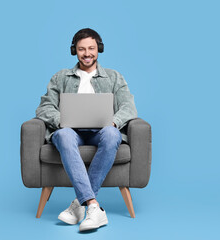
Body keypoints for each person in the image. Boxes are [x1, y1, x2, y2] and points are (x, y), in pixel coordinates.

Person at [35, 28, 137, 231]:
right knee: (62, 135)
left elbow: (129, 107)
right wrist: (62, 120)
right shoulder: (61, 77)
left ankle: (79, 205)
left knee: (112, 134)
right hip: (71, 132)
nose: (87, 53)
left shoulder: (114, 77)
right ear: (75, 51)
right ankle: (93, 206)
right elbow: (44, 107)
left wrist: (114, 122)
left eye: (91, 48)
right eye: (82, 49)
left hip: (102, 131)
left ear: (98, 49)